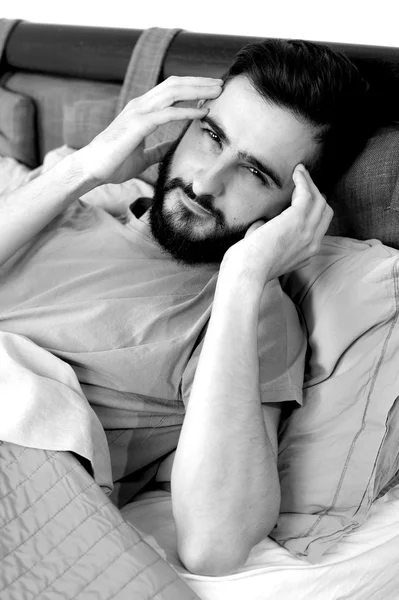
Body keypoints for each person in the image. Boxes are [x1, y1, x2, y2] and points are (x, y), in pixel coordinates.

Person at [0, 39, 371, 575]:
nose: (205, 181)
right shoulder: (72, 202)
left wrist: (242, 280)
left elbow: (214, 546)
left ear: (294, 207)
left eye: (255, 172)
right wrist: (81, 170)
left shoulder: (245, 315)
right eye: (212, 135)